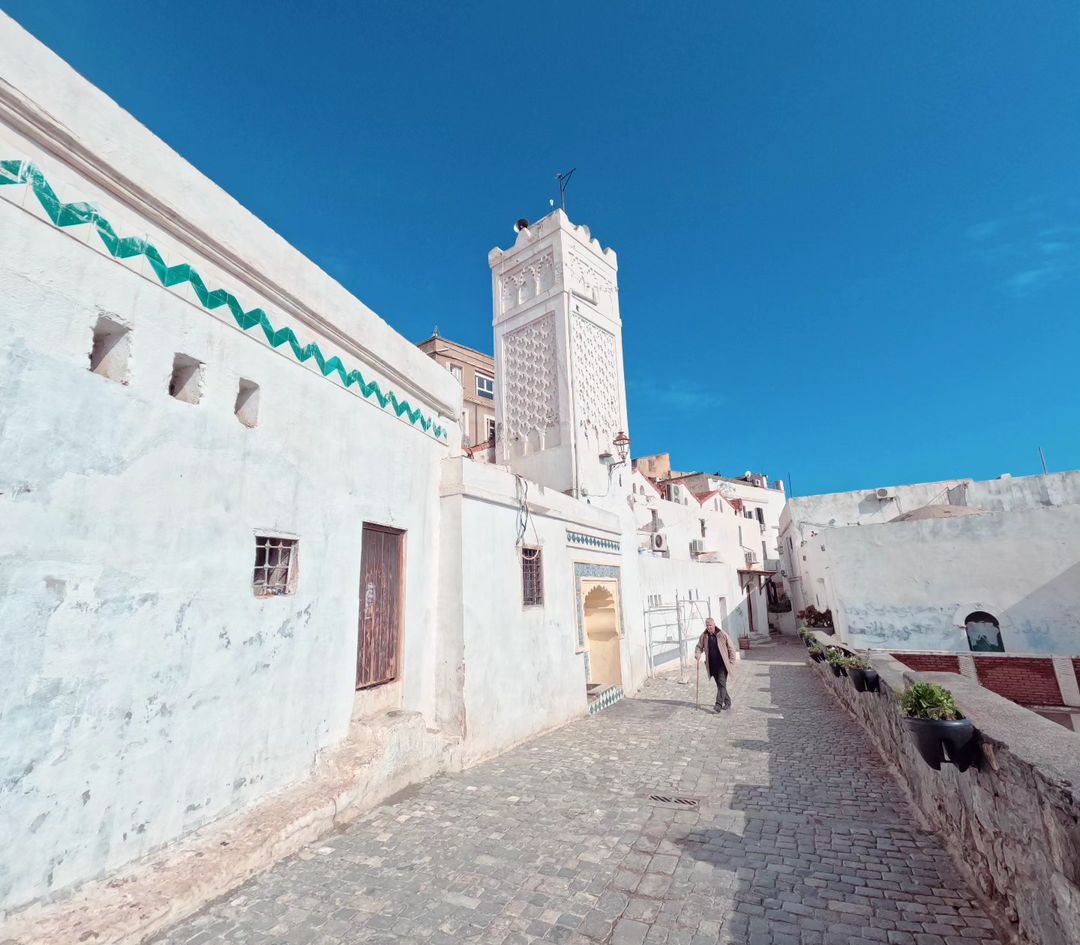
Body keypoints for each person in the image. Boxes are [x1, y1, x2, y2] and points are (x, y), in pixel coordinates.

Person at [695, 617, 737, 712]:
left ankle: (718, 705)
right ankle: (728, 702)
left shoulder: (722, 634)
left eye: (710, 625)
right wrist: (697, 654)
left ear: (714, 625)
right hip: (712, 665)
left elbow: (730, 647)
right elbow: (699, 647)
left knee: (722, 684)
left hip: (722, 665)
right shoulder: (704, 636)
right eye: (707, 625)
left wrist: (731, 662)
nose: (709, 627)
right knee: (720, 685)